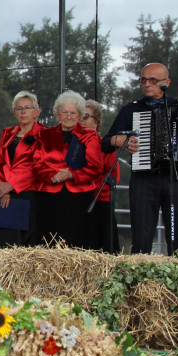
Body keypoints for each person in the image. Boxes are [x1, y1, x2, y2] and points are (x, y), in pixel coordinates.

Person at [103, 62, 178, 258]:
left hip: (176, 178)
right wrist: (116, 139)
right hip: (144, 179)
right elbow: (105, 143)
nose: (147, 84)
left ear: (166, 83)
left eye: (153, 80)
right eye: (143, 80)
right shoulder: (131, 110)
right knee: (142, 237)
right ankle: (140, 283)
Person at [32, 90, 104, 249]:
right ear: (57, 114)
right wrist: (53, 176)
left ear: (80, 115)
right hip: (49, 196)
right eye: (65, 112)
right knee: (49, 242)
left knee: (77, 241)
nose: (69, 116)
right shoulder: (44, 134)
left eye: (73, 112)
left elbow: (96, 167)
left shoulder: (89, 135)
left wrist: (71, 175)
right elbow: (36, 164)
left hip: (79, 196)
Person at [0, 91, 45, 248]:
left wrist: (12, 184)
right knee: (3, 244)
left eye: (27, 107)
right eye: (18, 108)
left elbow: (39, 166)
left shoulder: (45, 133)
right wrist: (2, 188)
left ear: (37, 111)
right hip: (5, 195)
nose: (23, 111)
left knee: (28, 244)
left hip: (31, 193)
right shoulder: (8, 133)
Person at [81, 99, 121, 254]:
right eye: (80, 117)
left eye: (86, 117)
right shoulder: (72, 145)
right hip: (77, 204)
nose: (81, 121)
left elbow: (113, 177)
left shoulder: (104, 146)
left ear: (96, 122)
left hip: (99, 204)